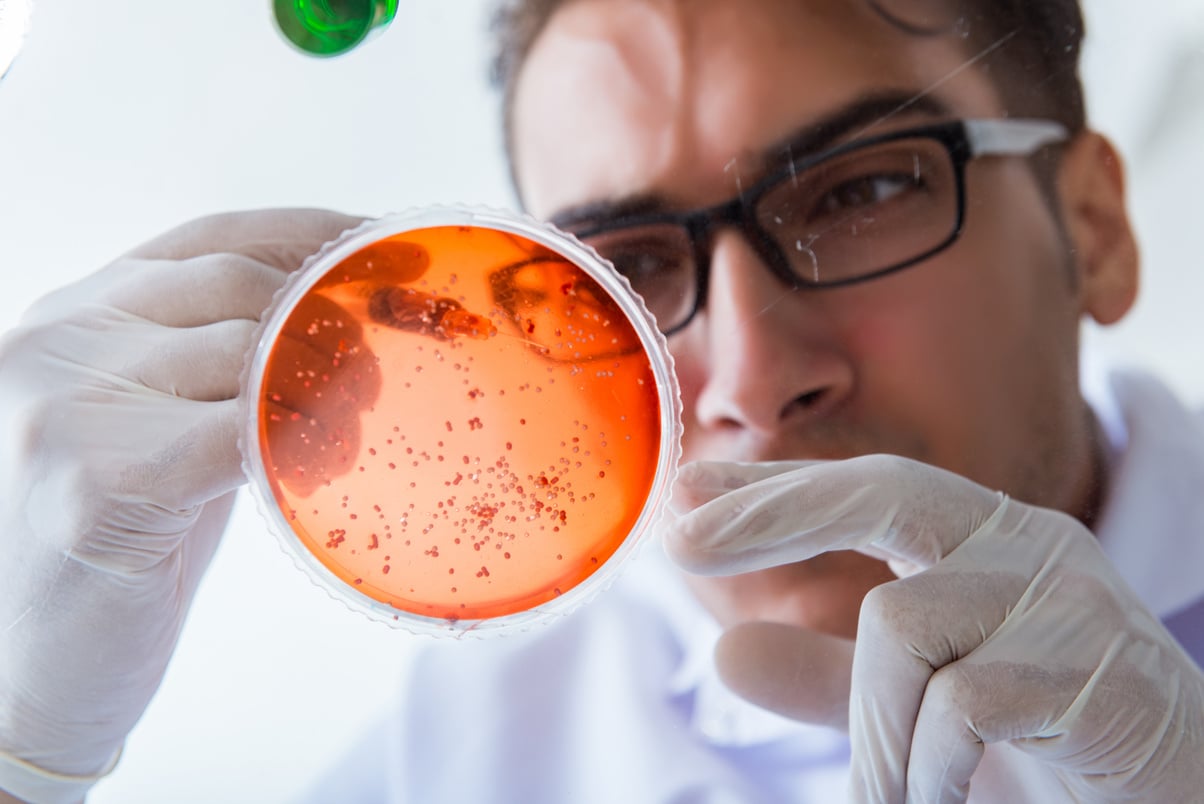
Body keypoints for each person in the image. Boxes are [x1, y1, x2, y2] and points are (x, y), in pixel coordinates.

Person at [2, 0, 1202, 801]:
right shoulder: (475, 754)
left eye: (862, 189)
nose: (751, 379)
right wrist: (23, 756)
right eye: (623, 272)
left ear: (1091, 228)